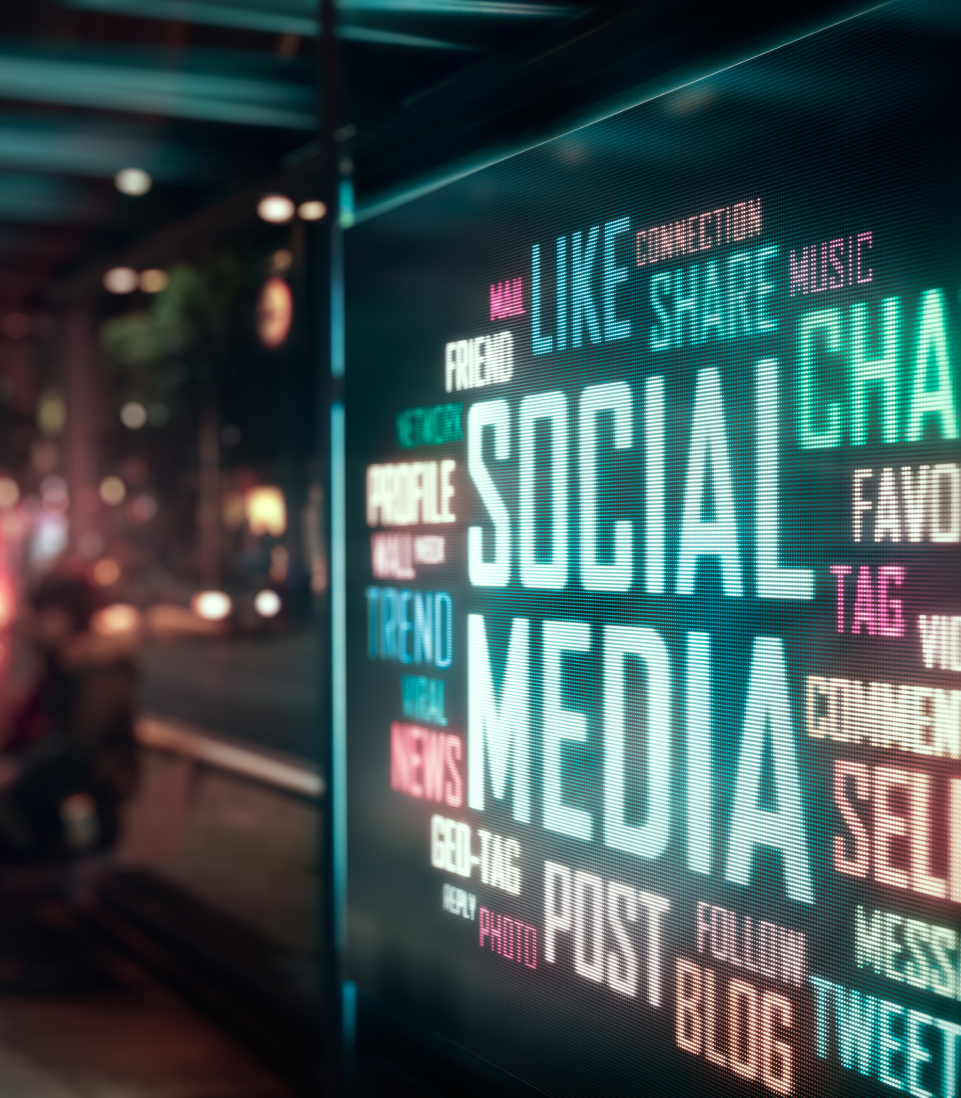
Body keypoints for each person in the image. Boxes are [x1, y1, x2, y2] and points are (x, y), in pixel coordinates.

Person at [0, 570, 139, 864]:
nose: (36, 624)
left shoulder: (93, 666)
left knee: (77, 855)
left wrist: (20, 767)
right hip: (78, 786)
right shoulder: (70, 660)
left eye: (43, 614)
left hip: (88, 793)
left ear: (64, 616)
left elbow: (77, 744)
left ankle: (77, 880)